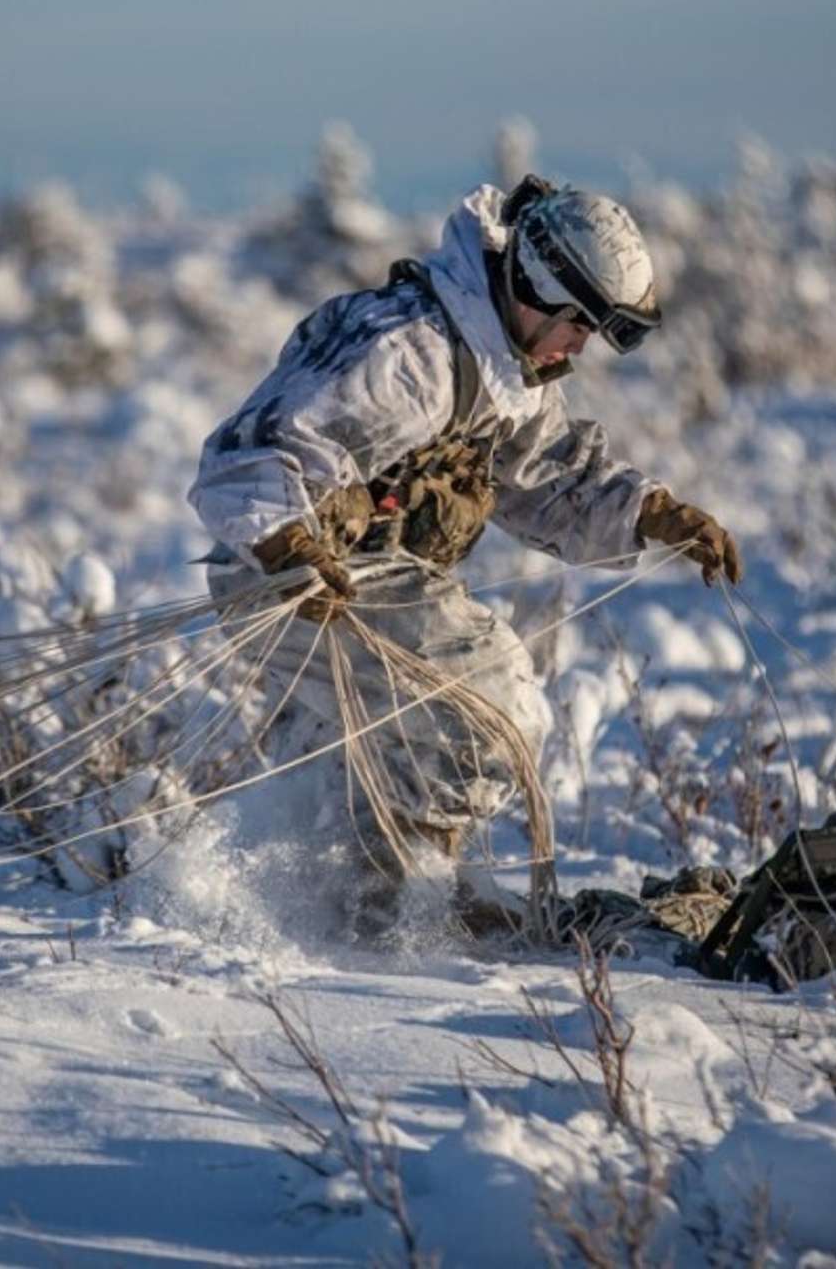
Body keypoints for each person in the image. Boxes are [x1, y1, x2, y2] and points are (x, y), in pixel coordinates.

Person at [189, 174, 740, 931]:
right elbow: (247, 452)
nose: (581, 346)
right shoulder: (409, 356)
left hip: (366, 582)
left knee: (360, 761)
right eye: (581, 324)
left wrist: (652, 515)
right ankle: (403, 909)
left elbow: (545, 476)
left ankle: (319, 909)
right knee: (493, 713)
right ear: (538, 290)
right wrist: (287, 543)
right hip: (295, 579)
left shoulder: (504, 367)